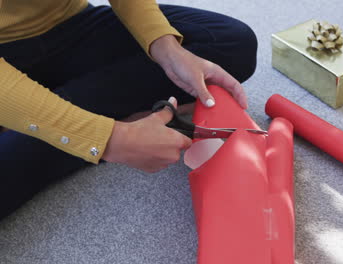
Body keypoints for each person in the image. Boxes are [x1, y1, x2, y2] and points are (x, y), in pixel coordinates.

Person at [0, 0, 257, 219]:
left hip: (72, 26)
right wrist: (108, 139)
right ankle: (68, 118)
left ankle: (42, 114)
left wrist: (168, 50)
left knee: (230, 44)